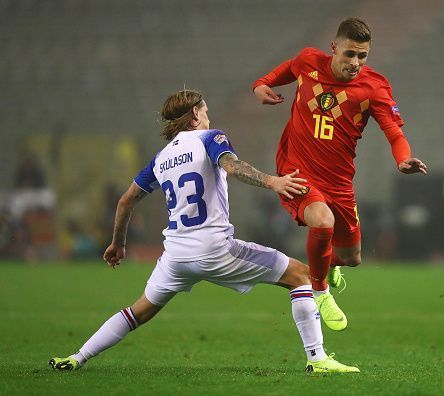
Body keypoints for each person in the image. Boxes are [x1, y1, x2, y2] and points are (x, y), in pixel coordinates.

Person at [49, 89, 359, 374]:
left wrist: (118, 244)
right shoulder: (210, 138)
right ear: (195, 115)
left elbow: (125, 200)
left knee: (138, 311)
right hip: (215, 249)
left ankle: (77, 357)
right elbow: (234, 168)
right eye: (205, 111)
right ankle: (317, 359)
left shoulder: (161, 159)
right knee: (302, 276)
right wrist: (273, 182)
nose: (209, 116)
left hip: (176, 255)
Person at [252, 18, 427, 330]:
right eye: (349, 54)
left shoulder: (375, 87)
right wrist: (261, 85)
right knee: (322, 221)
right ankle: (319, 291)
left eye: (362, 56)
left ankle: (328, 264)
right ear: (334, 48)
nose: (355, 62)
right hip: (297, 169)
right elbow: (287, 69)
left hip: (339, 181)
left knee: (351, 257)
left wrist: (402, 159)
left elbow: (394, 133)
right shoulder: (309, 61)